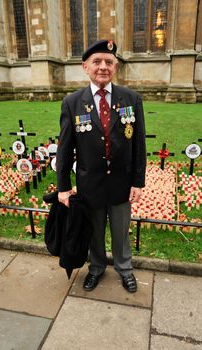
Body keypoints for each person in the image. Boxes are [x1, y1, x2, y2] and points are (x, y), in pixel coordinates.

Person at [56, 39, 146, 293]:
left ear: (115, 66)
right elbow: (65, 148)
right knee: (94, 233)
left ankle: (125, 269)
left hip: (121, 183)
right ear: (85, 67)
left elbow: (138, 144)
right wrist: (63, 187)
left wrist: (138, 182)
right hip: (90, 185)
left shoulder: (131, 99)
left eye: (109, 61)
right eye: (97, 61)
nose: (103, 66)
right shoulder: (72, 102)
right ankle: (96, 268)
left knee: (121, 232)